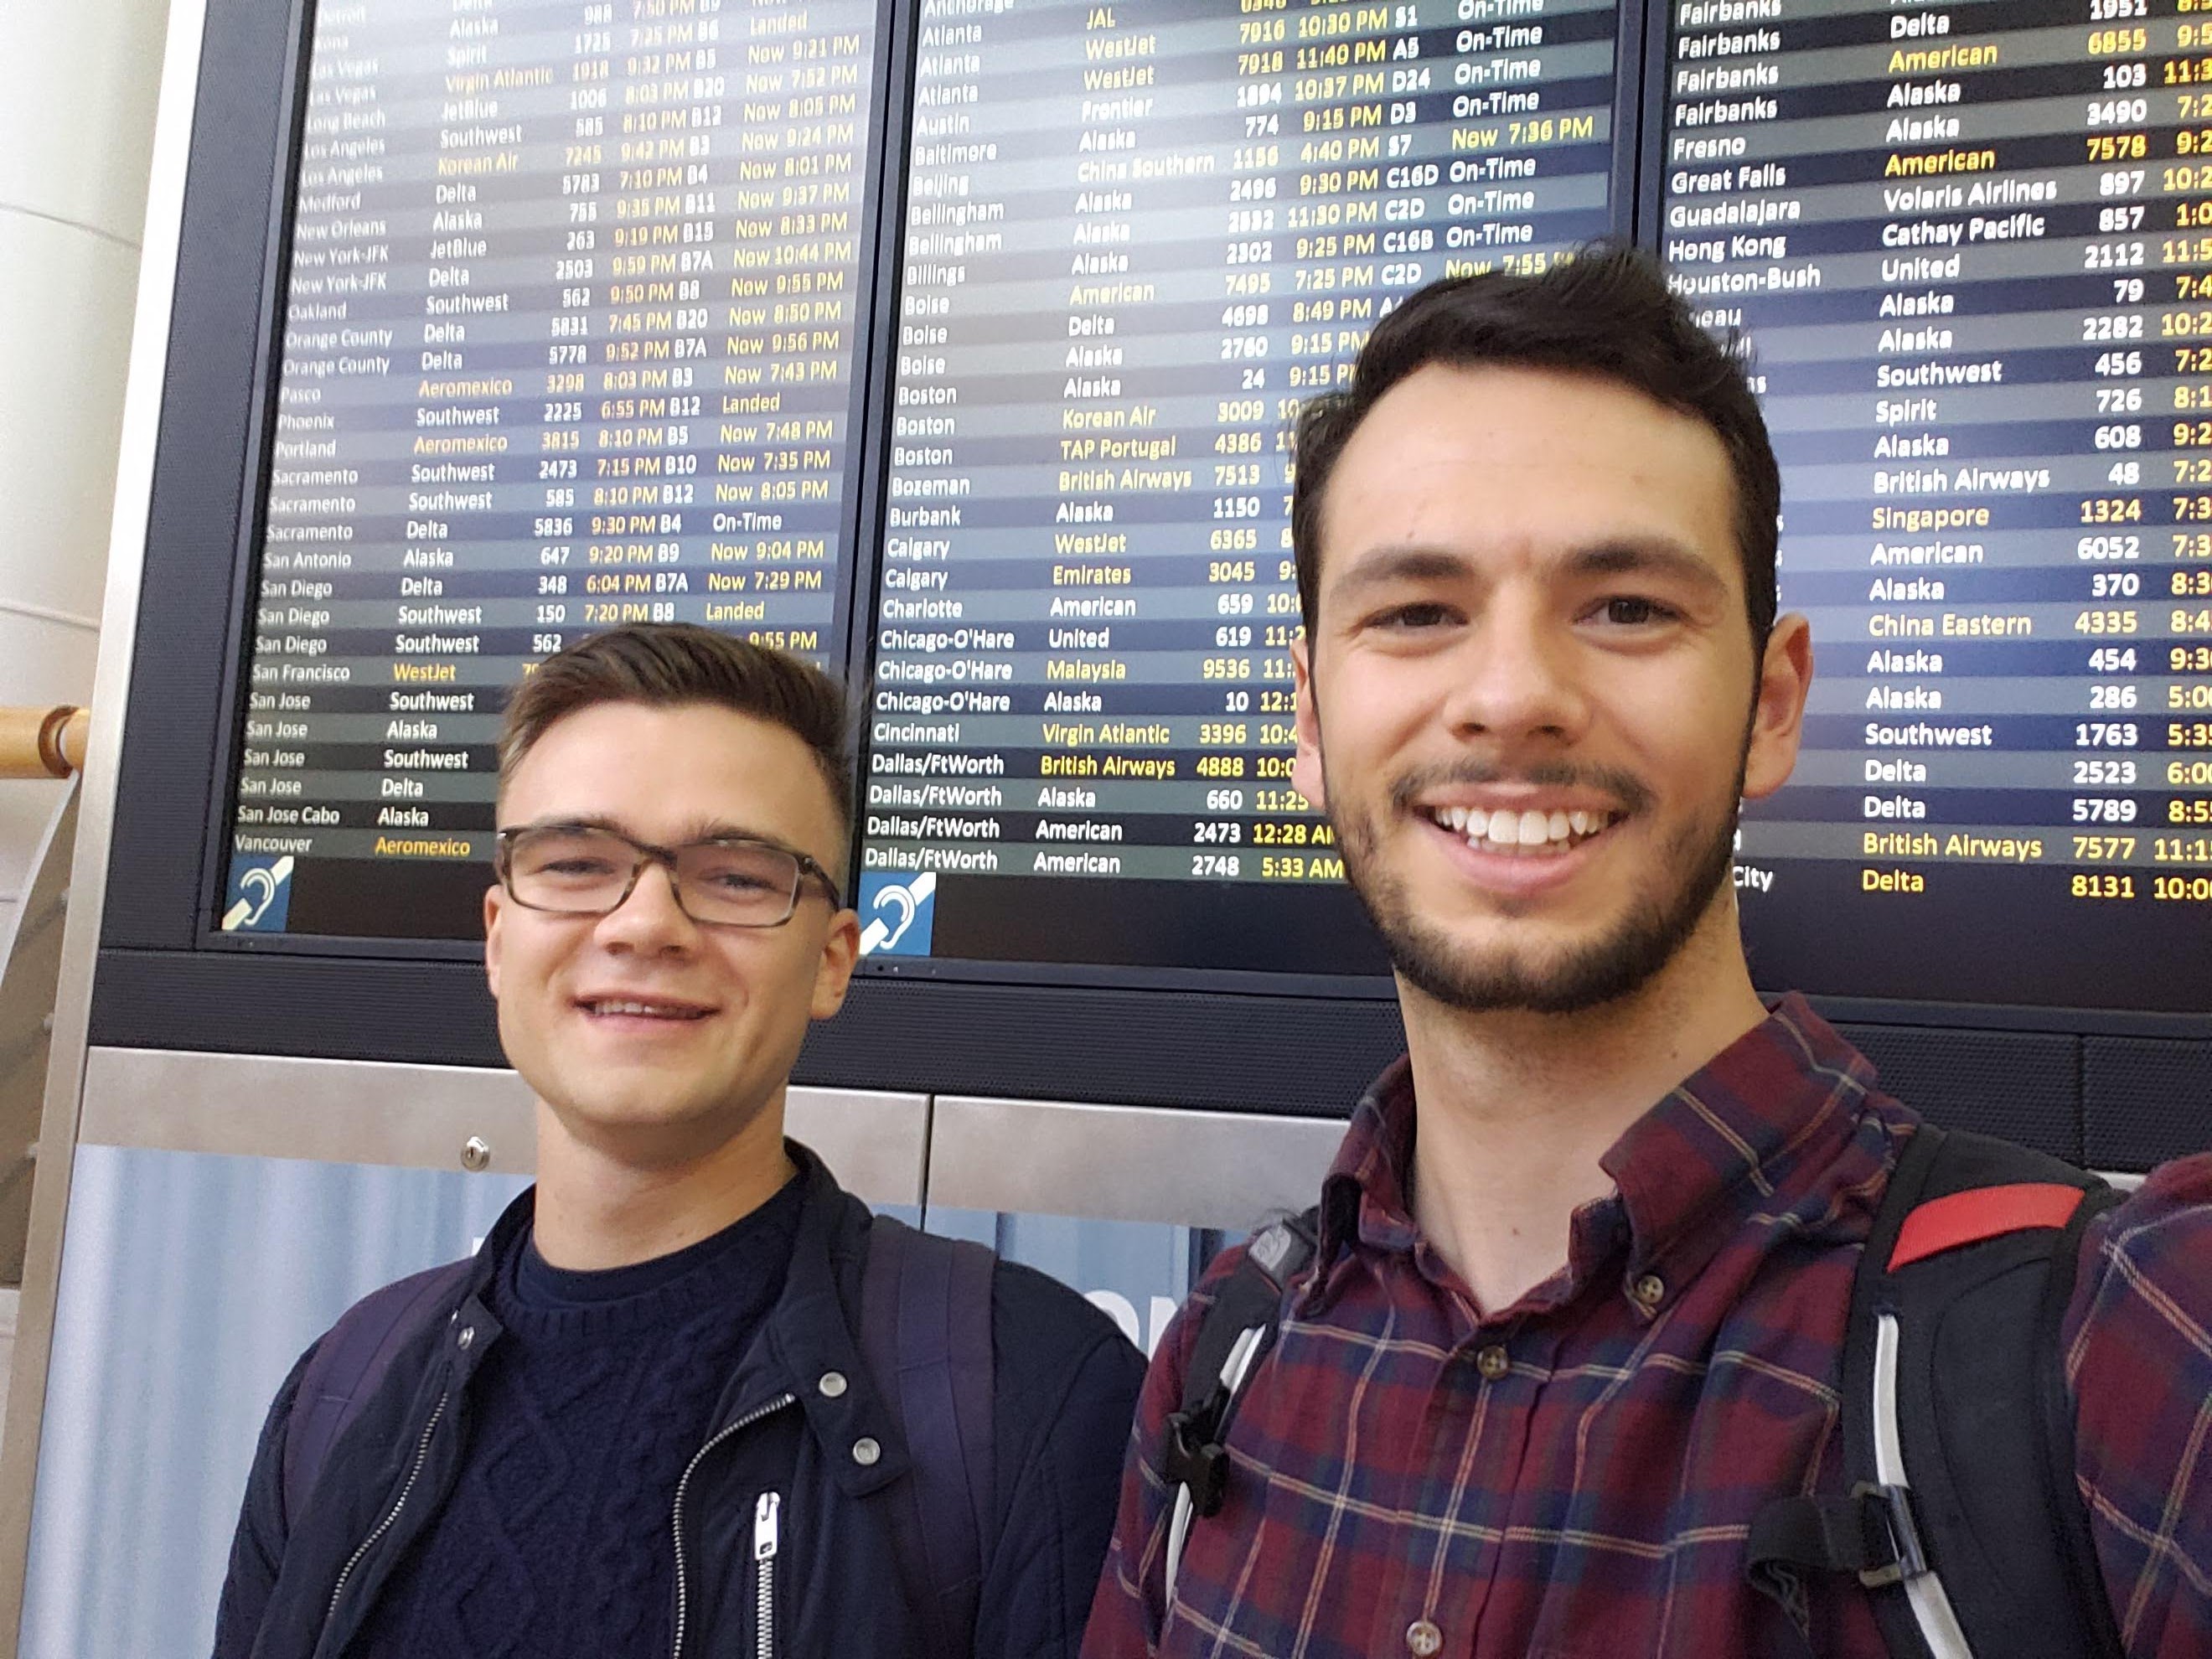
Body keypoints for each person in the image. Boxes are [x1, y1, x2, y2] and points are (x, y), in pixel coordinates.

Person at [1082, 247, 2212, 1656]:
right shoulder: (1226, 1359)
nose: (1512, 697)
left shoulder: (2118, 1344)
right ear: (1309, 717)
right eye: (1418, 612)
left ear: (1772, 701)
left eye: (1626, 608)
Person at [214, 623, 1144, 1659]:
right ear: (495, 936)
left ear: (833, 962)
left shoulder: (1033, 1395)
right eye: (574, 862)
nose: (644, 923)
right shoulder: (345, 1395)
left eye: (738, 877)